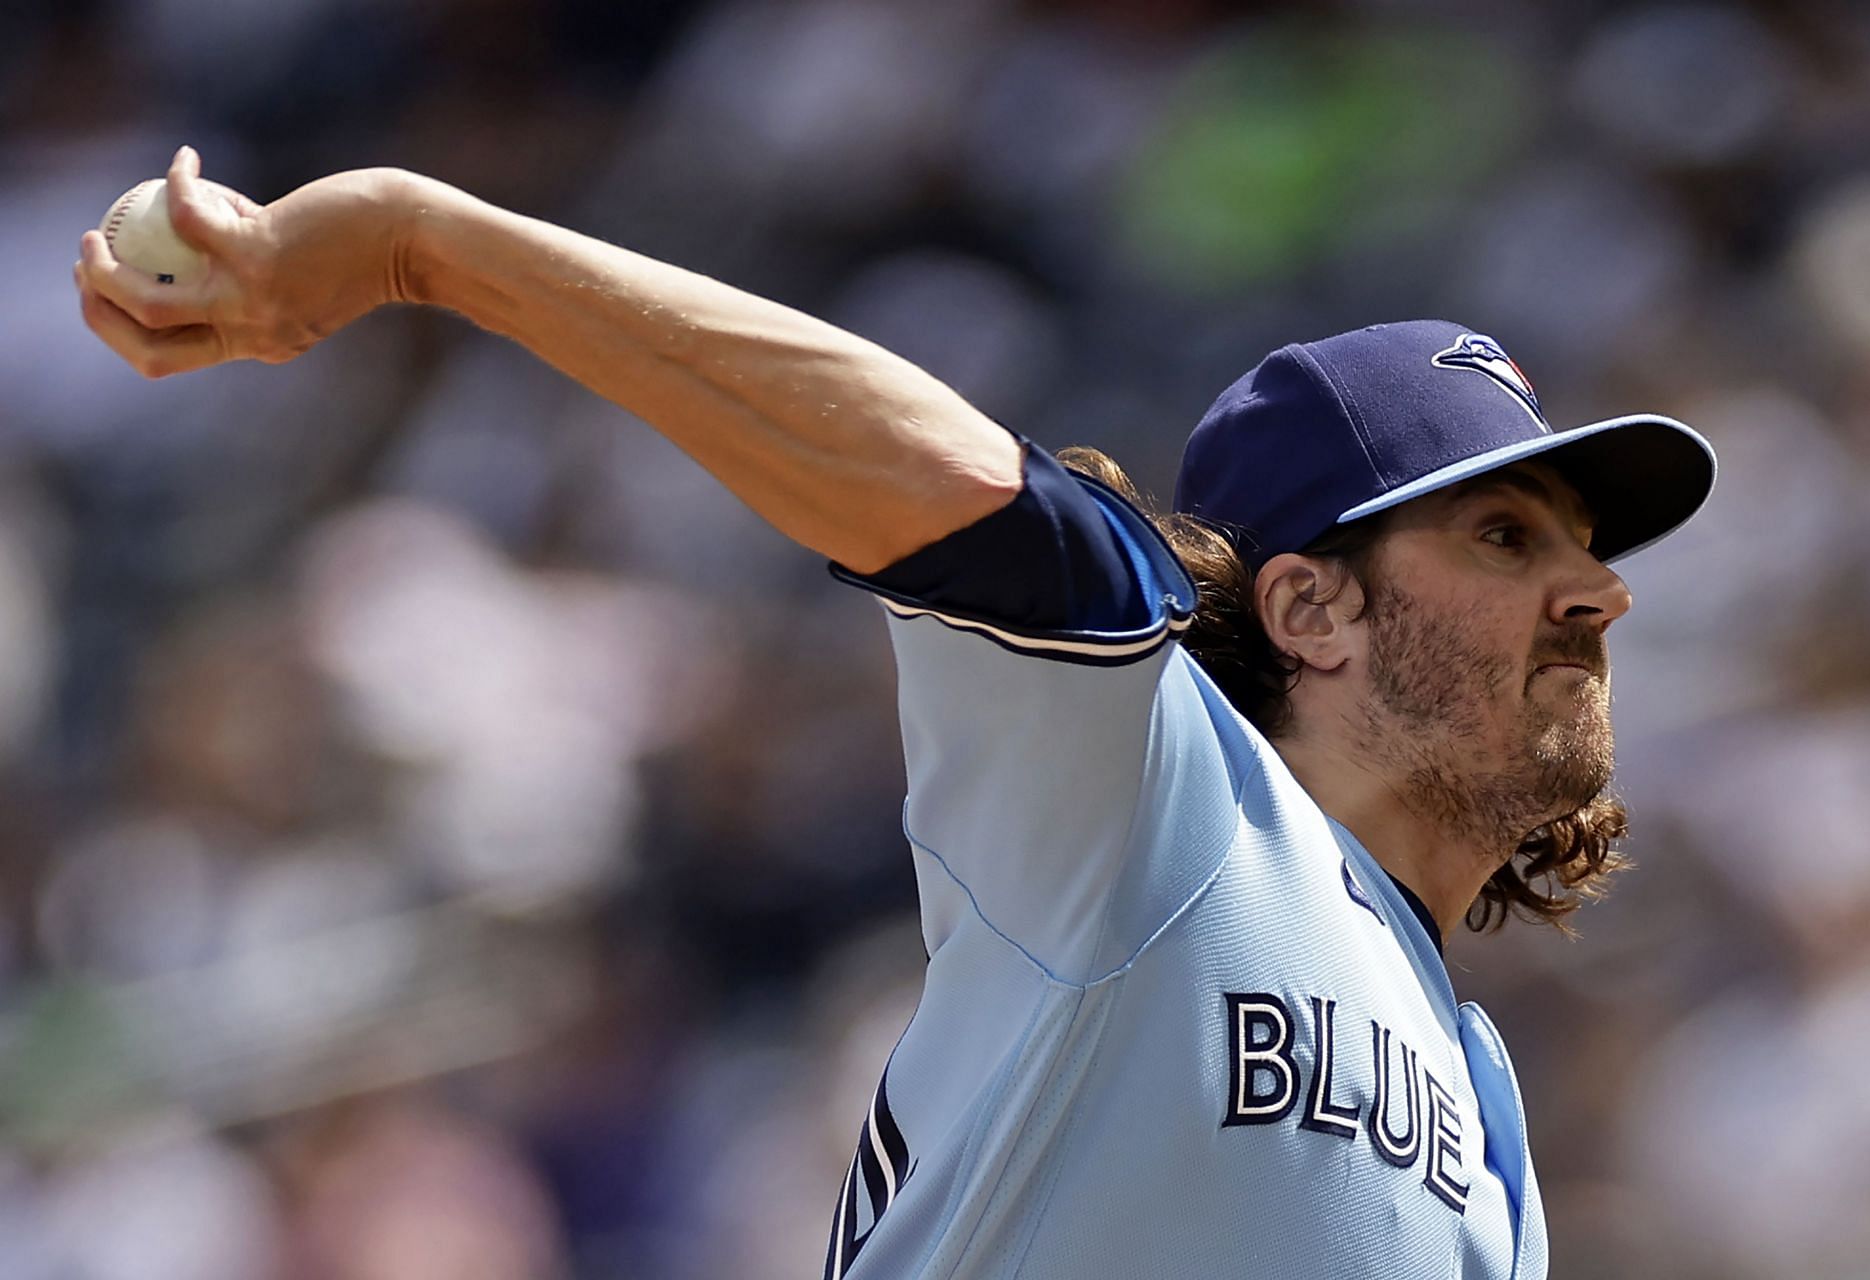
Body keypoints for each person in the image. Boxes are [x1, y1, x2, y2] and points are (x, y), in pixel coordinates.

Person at [74, 148, 1715, 1279]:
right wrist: (423, 244)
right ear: (1309, 606)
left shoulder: (1486, 1098)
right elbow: (959, 491)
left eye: (1583, 550)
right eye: (1505, 539)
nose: (1597, 594)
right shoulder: (1159, 803)